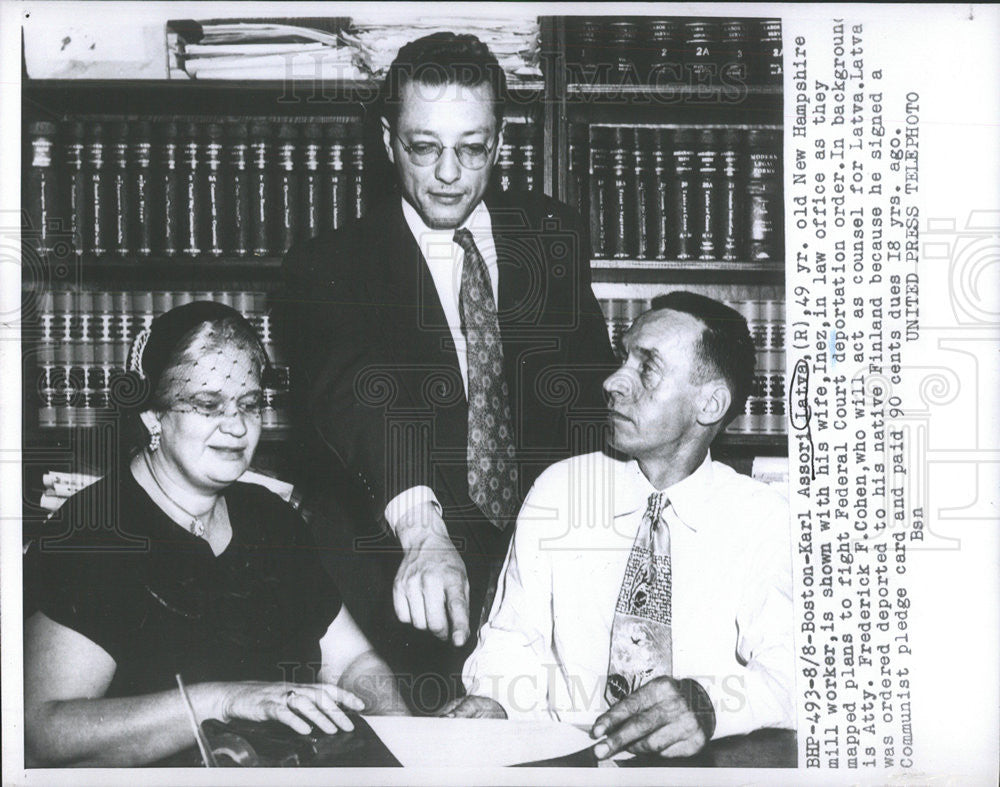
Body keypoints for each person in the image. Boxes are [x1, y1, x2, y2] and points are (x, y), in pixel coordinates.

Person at [279, 31, 614, 706]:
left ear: (500, 139)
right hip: (396, 593)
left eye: (472, 147)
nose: (448, 174)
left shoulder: (553, 235)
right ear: (386, 138)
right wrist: (424, 531)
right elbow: (357, 392)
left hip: (540, 590)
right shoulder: (330, 265)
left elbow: (586, 399)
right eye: (424, 146)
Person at [23, 301, 408, 767]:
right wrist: (221, 701)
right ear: (151, 416)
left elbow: (352, 664)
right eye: (208, 405)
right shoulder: (94, 532)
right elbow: (41, 731)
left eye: (249, 404)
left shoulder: (272, 519)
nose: (238, 425)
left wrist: (402, 743)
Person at [449, 292, 795, 760]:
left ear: (710, 404)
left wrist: (709, 704)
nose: (613, 381)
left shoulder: (765, 517)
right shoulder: (561, 491)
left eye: (646, 367)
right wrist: (495, 702)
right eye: (621, 358)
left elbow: (793, 672)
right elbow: (513, 638)